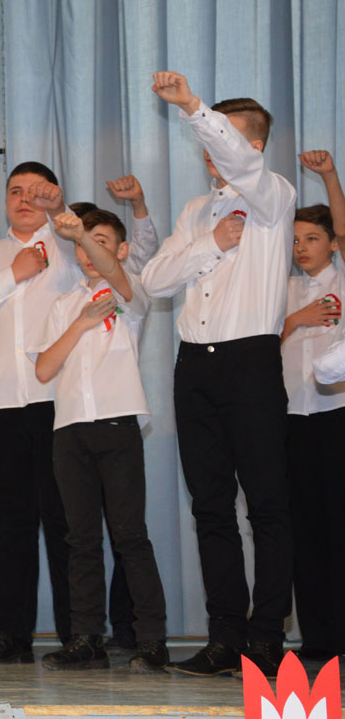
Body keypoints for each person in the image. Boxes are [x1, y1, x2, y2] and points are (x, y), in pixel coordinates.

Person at [140, 71, 295, 679]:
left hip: (250, 361)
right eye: (210, 136)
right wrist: (211, 243)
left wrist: (192, 106)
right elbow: (155, 281)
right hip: (194, 366)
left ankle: (267, 639)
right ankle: (224, 637)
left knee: (267, 505)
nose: (212, 148)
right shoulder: (197, 212)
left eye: (223, 137)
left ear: (251, 145)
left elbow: (240, 163)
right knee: (209, 506)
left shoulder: (273, 195)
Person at [0, 164, 84, 663]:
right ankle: (10, 635)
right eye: (14, 192)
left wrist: (62, 215)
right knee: (10, 523)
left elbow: (91, 269)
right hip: (1, 401)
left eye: (34, 193)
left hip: (57, 401)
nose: (24, 200)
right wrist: (13, 274)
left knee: (65, 521)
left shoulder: (68, 244)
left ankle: (78, 633)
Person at [33, 209, 168, 674]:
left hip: (116, 426)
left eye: (101, 241)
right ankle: (87, 638)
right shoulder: (64, 304)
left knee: (130, 535)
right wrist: (81, 323)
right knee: (81, 539)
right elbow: (44, 368)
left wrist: (82, 237)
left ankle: (152, 639)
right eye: (81, 243)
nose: (88, 253)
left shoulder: (131, 292)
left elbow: (116, 277)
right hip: (69, 429)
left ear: (121, 249)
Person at [278, 151, 345, 660]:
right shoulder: (282, 290)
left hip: (337, 417)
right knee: (304, 531)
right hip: (292, 422)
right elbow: (260, 347)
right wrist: (296, 319)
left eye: (313, 238)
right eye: (296, 240)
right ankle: (318, 637)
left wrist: (328, 176)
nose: (302, 247)